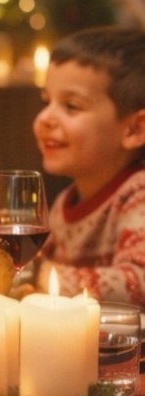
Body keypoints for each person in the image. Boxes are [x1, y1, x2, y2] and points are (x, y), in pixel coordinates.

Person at [32, 26, 145, 305]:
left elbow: (138, 280)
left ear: (135, 129)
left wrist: (37, 274)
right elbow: (34, 258)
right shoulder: (64, 202)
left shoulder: (138, 195)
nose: (45, 118)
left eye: (71, 106)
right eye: (46, 101)